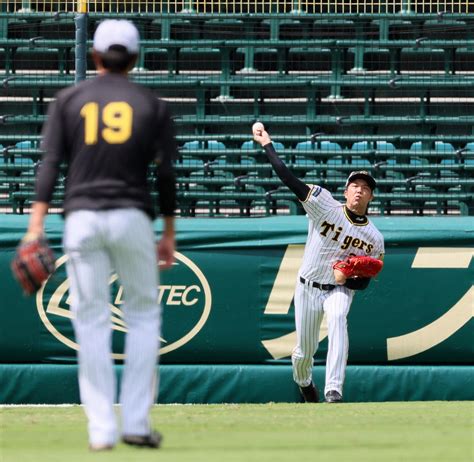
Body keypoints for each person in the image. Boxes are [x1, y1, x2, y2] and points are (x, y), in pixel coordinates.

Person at [25, 20, 177, 450]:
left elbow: (49, 166)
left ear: (94, 55)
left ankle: (101, 428)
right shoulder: (152, 104)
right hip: (131, 217)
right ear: (135, 57)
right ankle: (135, 422)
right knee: (144, 315)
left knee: (90, 320)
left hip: (82, 218)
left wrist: (35, 227)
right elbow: (166, 174)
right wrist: (168, 232)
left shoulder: (69, 99)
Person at [252, 123, 384, 403]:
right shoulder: (323, 205)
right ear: (345, 192)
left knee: (337, 317)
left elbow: (366, 279)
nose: (359, 191)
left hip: (338, 290)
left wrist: (347, 279)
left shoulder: (374, 237)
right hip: (308, 286)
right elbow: (288, 179)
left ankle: (333, 390)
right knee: (304, 351)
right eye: (355, 186)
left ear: (371, 197)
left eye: (365, 188)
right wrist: (268, 145)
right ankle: (304, 382)